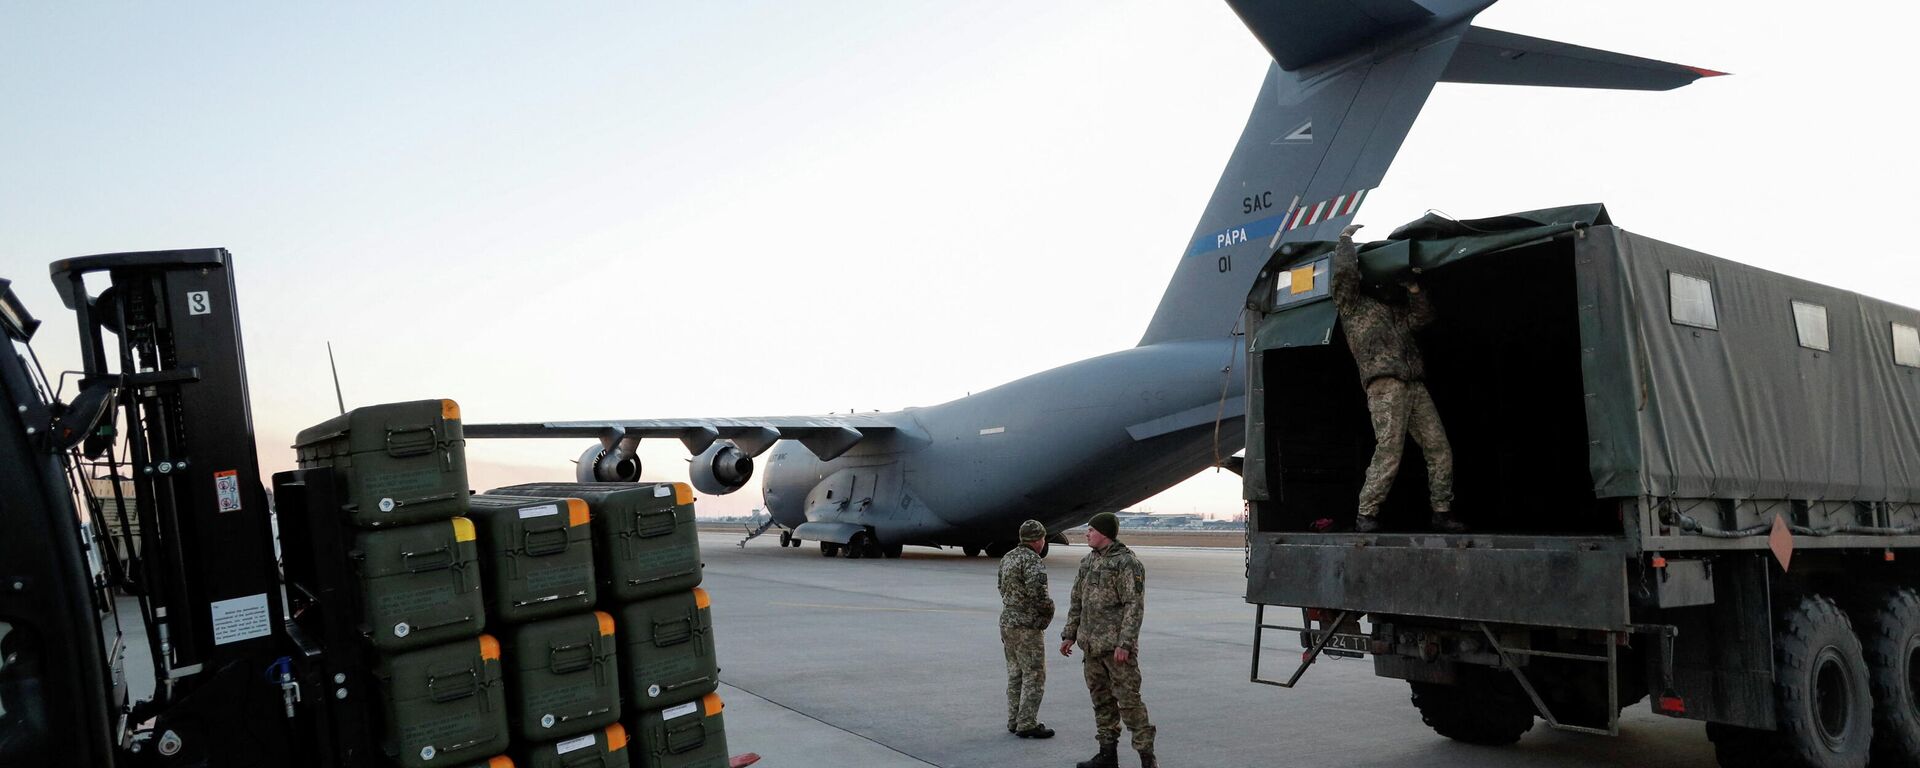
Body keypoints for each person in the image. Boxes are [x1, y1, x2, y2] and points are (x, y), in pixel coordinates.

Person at [1330, 224, 1467, 534]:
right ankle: (1366, 513)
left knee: (1439, 448)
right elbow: (1345, 277)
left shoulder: (1396, 313)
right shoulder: (1354, 307)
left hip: (1413, 384)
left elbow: (1423, 318)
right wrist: (1345, 242)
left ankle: (1441, 511)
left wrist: (1414, 290)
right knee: (1390, 449)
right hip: (1385, 384)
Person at [1060, 512, 1154, 768]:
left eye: (1091, 529)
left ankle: (1147, 759)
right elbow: (1077, 601)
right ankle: (1107, 755)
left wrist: (1125, 643)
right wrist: (1070, 634)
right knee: (1101, 703)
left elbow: (1134, 606)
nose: (1086, 533)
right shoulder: (1087, 562)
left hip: (1115, 650)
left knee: (1130, 705)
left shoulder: (1126, 563)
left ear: (1104, 533)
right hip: (1091, 648)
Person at [999, 519, 1056, 739]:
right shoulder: (1032, 561)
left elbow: (1000, 587)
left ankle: (1014, 719)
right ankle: (1027, 723)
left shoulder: (1008, 557)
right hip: (1026, 626)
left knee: (1015, 673)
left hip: (1008, 622)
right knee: (1034, 675)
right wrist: (1048, 613)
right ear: (1039, 539)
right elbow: (1039, 595)